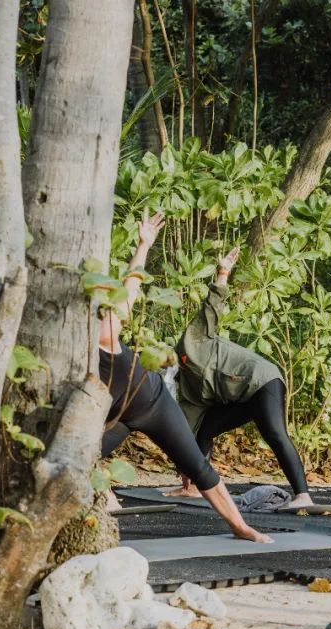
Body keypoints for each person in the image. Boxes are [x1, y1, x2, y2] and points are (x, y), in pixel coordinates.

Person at [98, 212, 270, 543]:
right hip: (116, 415)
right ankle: (107, 500)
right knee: (81, 455)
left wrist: (144, 245)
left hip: (152, 402)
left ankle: (240, 525)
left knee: (196, 465)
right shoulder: (61, 349)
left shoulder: (106, 330)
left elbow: (130, 286)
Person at [165, 246, 314, 509]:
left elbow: (211, 308)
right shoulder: (187, 394)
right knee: (203, 431)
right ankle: (196, 488)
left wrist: (223, 272)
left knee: (275, 434)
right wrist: (184, 470)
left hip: (262, 380)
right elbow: (185, 438)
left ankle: (303, 495)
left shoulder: (191, 341)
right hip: (241, 399)